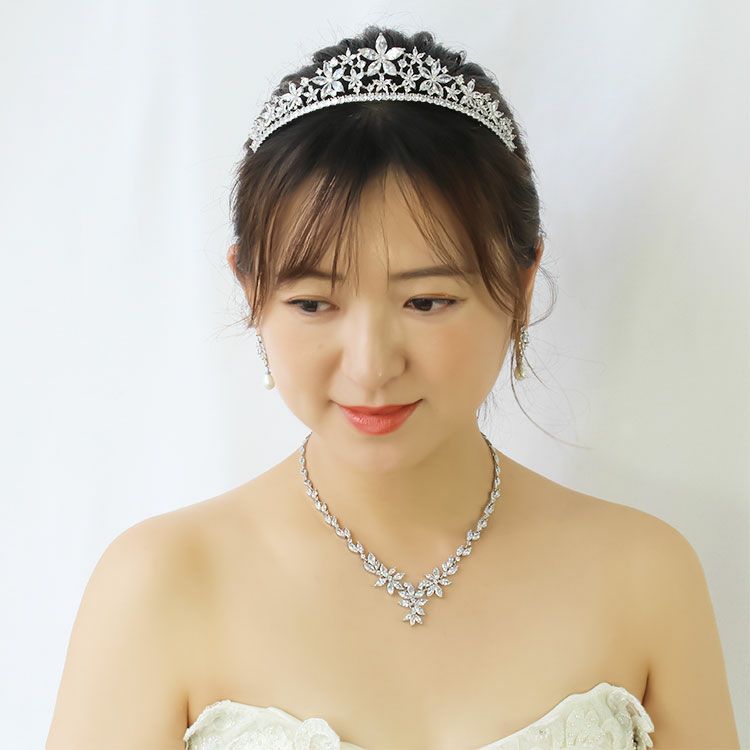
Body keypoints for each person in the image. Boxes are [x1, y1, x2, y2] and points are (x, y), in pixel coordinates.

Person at [46, 25, 739, 750]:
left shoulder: (645, 575)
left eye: (426, 301)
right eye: (314, 303)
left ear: (521, 285)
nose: (371, 366)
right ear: (251, 291)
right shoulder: (159, 584)